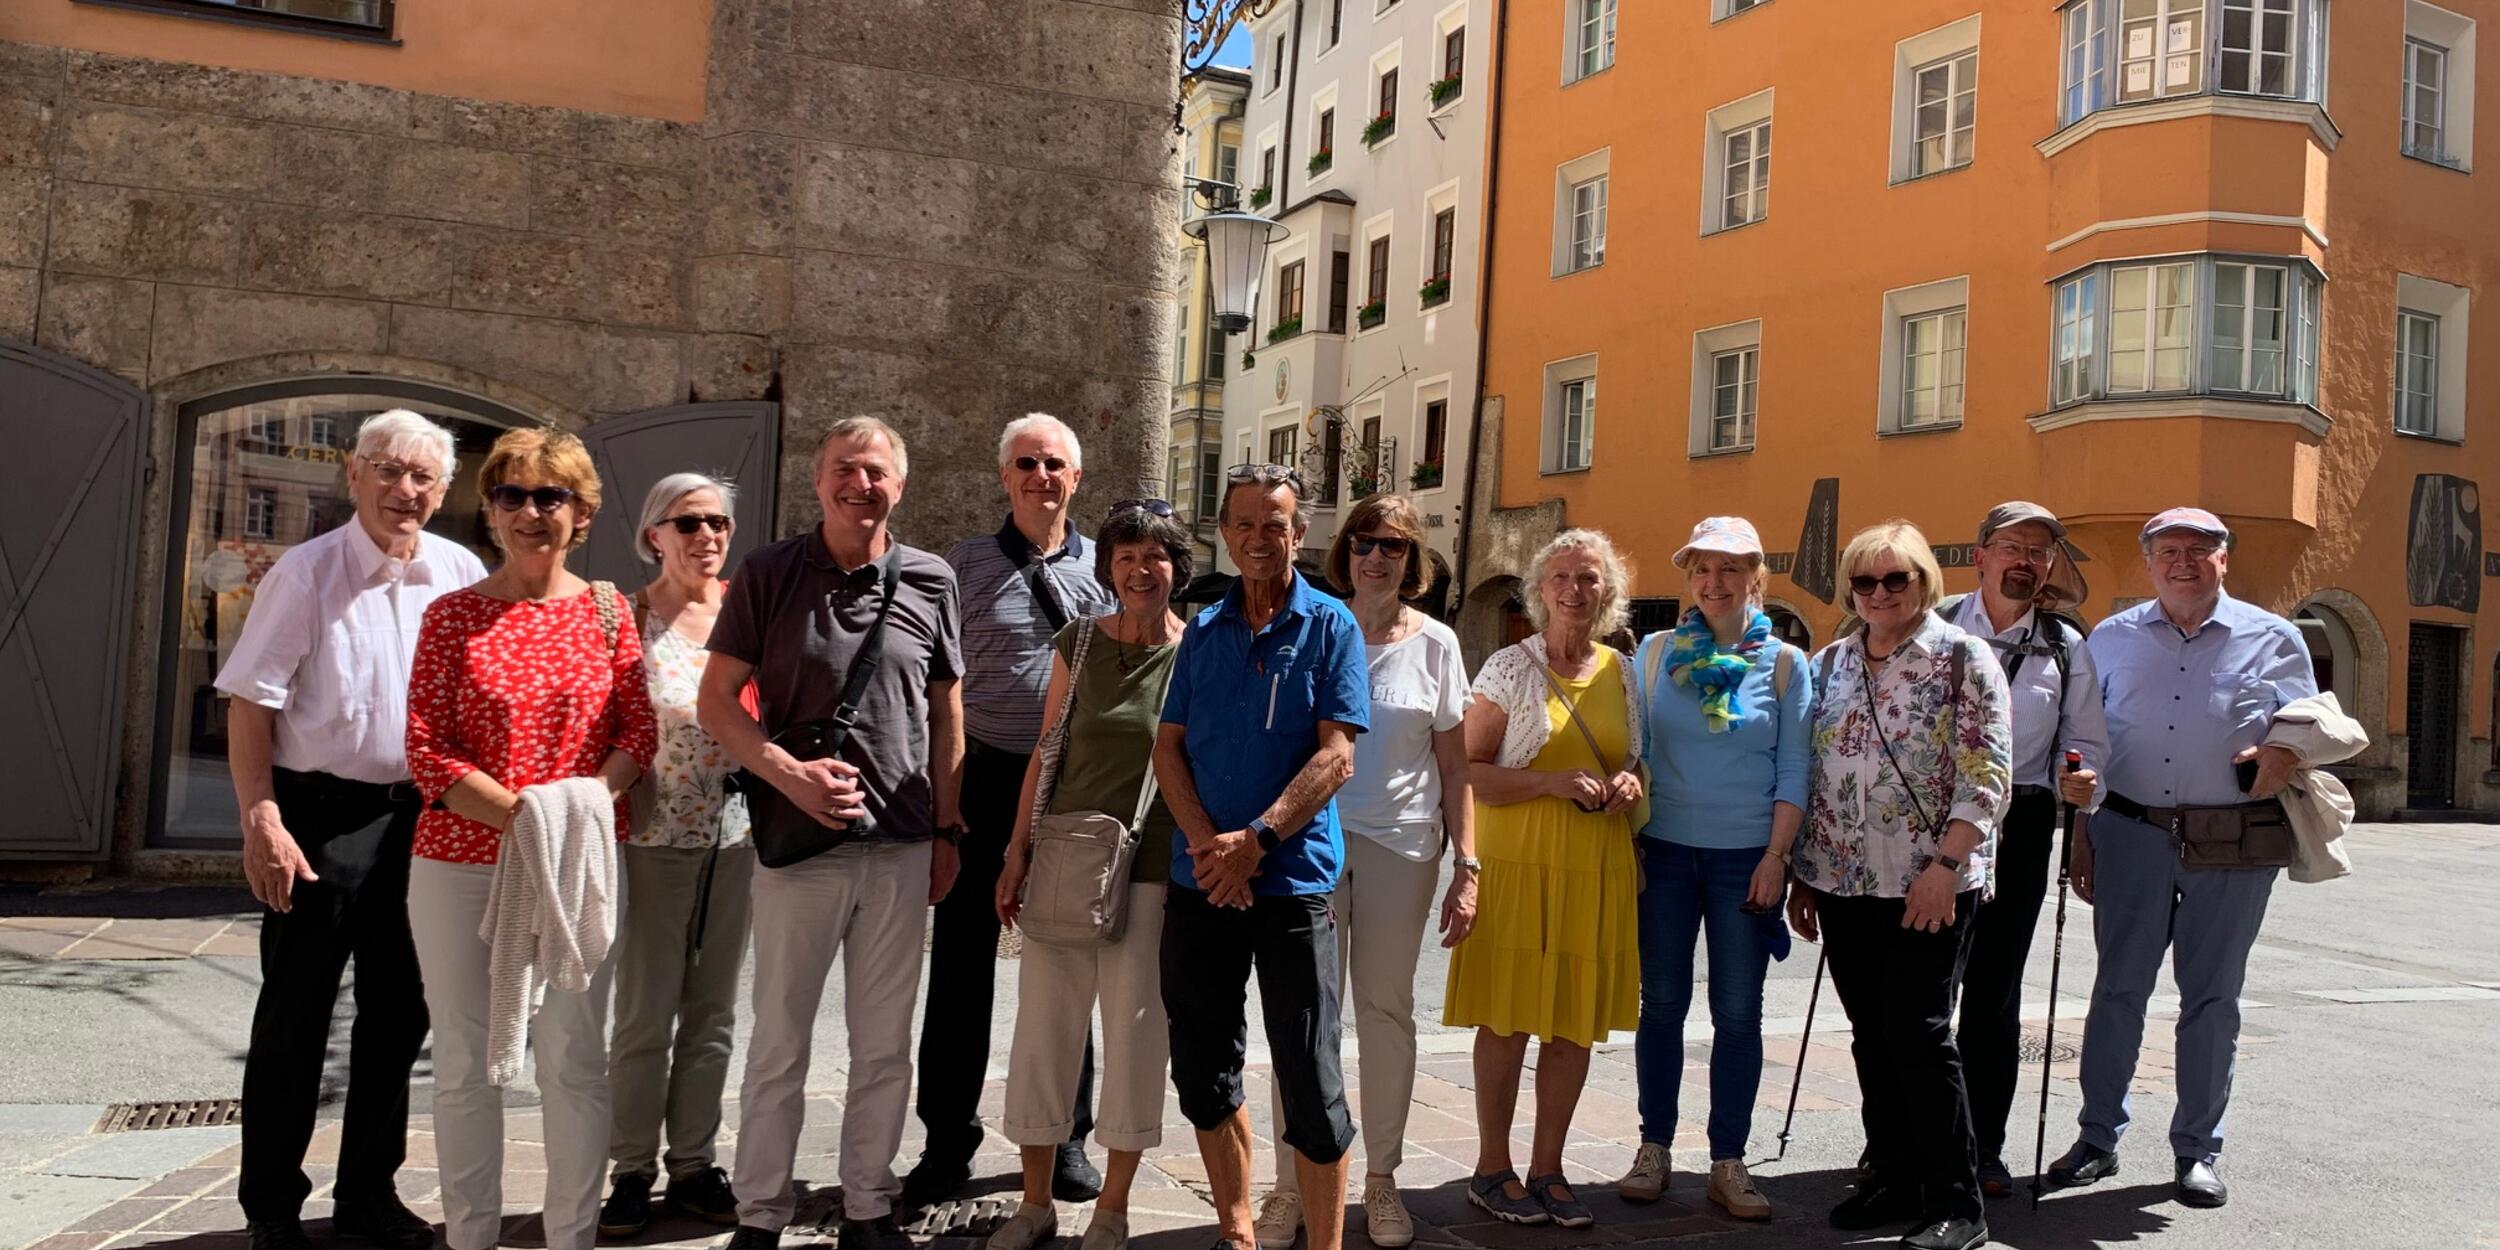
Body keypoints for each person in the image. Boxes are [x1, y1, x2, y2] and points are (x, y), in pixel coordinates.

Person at [218, 409, 485, 1250]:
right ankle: (271, 1208)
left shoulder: (459, 571)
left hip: (424, 817)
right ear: (354, 475)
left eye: (423, 478)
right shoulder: (306, 572)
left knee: (400, 1015)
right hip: (319, 817)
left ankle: (369, 1192)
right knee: (295, 1017)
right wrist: (261, 816)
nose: (404, 491)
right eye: (389, 471)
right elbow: (250, 702)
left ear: (442, 492)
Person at [699, 417, 965, 1250]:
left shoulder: (930, 579)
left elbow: (946, 711)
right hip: (797, 844)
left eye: (878, 471)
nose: (863, 484)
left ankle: (867, 1205)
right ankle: (762, 1212)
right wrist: (788, 776)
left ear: (901, 484)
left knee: (884, 1045)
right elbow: (717, 703)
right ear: (817, 482)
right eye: (846, 470)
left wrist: (950, 826)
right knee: (780, 1040)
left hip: (900, 842)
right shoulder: (771, 572)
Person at [404, 427, 657, 1250]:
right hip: (459, 867)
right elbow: (427, 750)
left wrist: (573, 811)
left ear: (581, 514)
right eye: (511, 494)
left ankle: (571, 1238)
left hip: (575, 868)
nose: (530, 512)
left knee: (574, 1063)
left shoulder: (612, 612)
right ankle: (472, 1237)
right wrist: (528, 818)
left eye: (551, 496)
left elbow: (637, 735)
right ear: (490, 510)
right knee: (466, 1066)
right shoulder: (451, 617)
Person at [2044, 507, 2317, 1210]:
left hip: (2233, 837)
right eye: (2169, 550)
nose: (2184, 561)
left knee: (2213, 998)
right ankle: (2098, 1137)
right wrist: (2081, 833)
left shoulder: (2275, 637)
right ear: (2149, 561)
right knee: (2117, 991)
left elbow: (2308, 727)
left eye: (2201, 549)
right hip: (2129, 833)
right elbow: (2088, 741)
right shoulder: (2110, 638)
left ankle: (2198, 1149)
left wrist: (2283, 752)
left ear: (2225, 559)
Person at [1152, 463, 1368, 1250]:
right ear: (1224, 530)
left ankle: (1325, 1244)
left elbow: (1336, 756)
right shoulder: (1202, 631)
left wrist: (1258, 843)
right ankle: (1238, 1230)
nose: (1257, 538)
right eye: (1242, 523)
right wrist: (1214, 848)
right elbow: (1168, 749)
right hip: (1201, 881)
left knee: (1312, 1082)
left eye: (1272, 522)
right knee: (1205, 1072)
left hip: (1293, 885)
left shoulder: (1331, 626)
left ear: (1297, 532)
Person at [908, 413, 1117, 1210]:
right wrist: (946, 804)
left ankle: (1065, 1136)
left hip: (1071, 785)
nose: (1041, 476)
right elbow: (940, 692)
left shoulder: (1106, 568)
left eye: (1055, 464)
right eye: (1026, 463)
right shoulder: (958, 567)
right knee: (961, 970)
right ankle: (945, 1139)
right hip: (988, 777)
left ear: (1076, 478)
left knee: (1066, 965)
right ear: (1004, 475)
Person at [1257, 494, 1477, 1250]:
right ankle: (1294, 1182)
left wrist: (1467, 862)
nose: (1375, 557)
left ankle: (1381, 1179)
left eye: (1392, 546)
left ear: (1414, 561)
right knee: (1305, 1016)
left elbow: (1455, 764)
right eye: (1362, 543)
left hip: (1403, 848)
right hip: (1312, 845)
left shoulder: (1438, 644)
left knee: (1384, 1013)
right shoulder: (1317, 624)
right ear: (1343, 552)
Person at [1788, 519, 2011, 1250]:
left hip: (1930, 881)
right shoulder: (1831, 664)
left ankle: (1958, 1198)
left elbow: (1988, 772)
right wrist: (1802, 875)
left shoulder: (1961, 658)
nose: (1879, 593)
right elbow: (1815, 775)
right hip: (1844, 880)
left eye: (1896, 578)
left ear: (1924, 581)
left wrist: (1946, 869)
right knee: (1870, 1038)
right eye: (1864, 580)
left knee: (1918, 1034)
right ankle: (1892, 1174)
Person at [985, 500, 1194, 1250]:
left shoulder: (1197, 649)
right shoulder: (1078, 639)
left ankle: (1113, 1207)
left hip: (1154, 867)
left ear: (1178, 567)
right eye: (1128, 557)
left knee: (1137, 1036)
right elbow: (1047, 749)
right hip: (1069, 858)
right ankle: (1033, 1202)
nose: (1142, 570)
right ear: (1108, 568)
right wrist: (1017, 852)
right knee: (1045, 1033)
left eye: (1157, 556)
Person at [1446, 528, 1645, 1231]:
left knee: (1571, 1027)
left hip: (1594, 868)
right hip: (1518, 865)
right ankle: (1492, 1168)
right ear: (1539, 591)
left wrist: (1627, 782)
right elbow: (1463, 771)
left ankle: (1549, 1167)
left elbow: (1637, 761)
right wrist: (1548, 780)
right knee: (1506, 1020)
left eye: (1589, 578)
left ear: (1609, 593)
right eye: (1561, 577)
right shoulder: (1508, 666)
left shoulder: (1624, 672)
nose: (1574, 590)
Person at [1618, 517, 1809, 1222]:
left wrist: (1776, 856)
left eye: (1731, 570)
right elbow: (1632, 750)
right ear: (1689, 578)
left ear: (1756, 577)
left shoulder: (1786, 664)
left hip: (1745, 859)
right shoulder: (1653, 652)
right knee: (1661, 1005)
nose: (1715, 583)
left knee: (1738, 1013)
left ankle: (1728, 1159)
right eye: (1703, 569)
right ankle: (1654, 1147)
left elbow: (1795, 766)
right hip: (1663, 851)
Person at [598, 473, 755, 1235]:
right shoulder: (622, 618)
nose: (707, 537)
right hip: (650, 835)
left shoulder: (744, 613)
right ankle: (630, 1167)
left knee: (715, 1011)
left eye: (719, 522)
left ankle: (693, 1161)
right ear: (653, 534)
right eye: (689, 522)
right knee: (644, 1012)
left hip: (738, 838)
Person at [1940, 502, 2108, 1198]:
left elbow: (2089, 741)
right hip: (1930, 823)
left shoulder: (2068, 645)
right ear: (1979, 554)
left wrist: (2085, 782)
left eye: (2039, 551)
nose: (2025, 560)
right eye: (2012, 546)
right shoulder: (1933, 623)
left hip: (2025, 822)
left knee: (1994, 993)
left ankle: (1983, 1148)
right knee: (1918, 990)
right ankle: (1899, 1142)